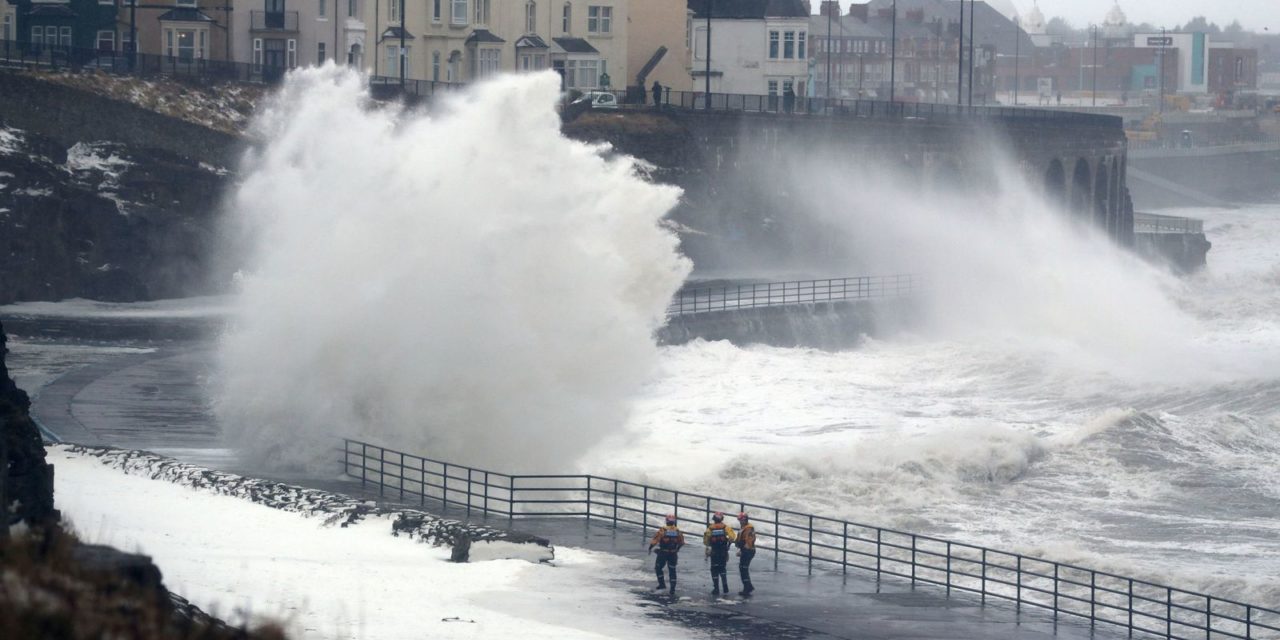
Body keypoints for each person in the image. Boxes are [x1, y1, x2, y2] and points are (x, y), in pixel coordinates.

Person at [649, 514, 685, 595]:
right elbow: (682, 542)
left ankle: (662, 585)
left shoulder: (662, 530)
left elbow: (655, 540)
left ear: (666, 521)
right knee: (672, 570)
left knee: (658, 568)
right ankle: (672, 589)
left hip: (663, 553)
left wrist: (650, 547)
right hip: (673, 553)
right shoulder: (677, 531)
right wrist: (677, 549)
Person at [702, 512, 736, 595]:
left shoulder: (710, 528)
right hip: (723, 551)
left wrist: (708, 547)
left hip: (714, 551)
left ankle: (716, 589)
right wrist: (728, 544)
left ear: (714, 519)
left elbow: (706, 541)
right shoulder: (726, 528)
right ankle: (725, 586)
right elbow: (732, 537)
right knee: (722, 568)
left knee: (714, 569)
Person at [735, 512, 756, 595]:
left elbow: (749, 541)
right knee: (742, 568)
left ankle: (747, 588)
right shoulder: (744, 527)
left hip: (748, 551)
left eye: (741, 520)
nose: (740, 522)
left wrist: (743, 549)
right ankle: (748, 586)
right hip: (745, 550)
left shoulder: (748, 528)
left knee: (744, 569)